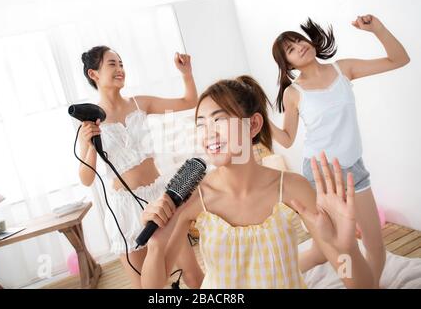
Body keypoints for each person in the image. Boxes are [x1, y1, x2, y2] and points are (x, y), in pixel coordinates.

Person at [140, 76, 374, 289]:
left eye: (218, 120)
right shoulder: (193, 197)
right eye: (201, 124)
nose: (208, 134)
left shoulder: (293, 188)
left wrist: (347, 249)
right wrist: (156, 245)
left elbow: (358, 283)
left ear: (253, 125)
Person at [270, 15, 410, 287]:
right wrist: (260, 122)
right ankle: (272, 276)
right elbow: (287, 139)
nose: (299, 46)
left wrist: (377, 29)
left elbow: (399, 59)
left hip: (354, 170)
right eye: (290, 49)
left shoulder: (343, 69)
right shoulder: (294, 93)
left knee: (375, 245)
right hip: (321, 176)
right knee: (333, 250)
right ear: (287, 64)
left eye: (299, 40)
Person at [78, 45, 203, 288]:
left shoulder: (139, 103)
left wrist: (186, 73)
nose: (120, 69)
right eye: (112, 64)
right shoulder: (89, 121)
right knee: (147, 287)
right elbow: (85, 178)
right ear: (94, 74)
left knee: (194, 276)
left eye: (122, 64)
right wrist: (90, 144)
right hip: (125, 208)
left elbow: (190, 101)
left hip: (160, 198)